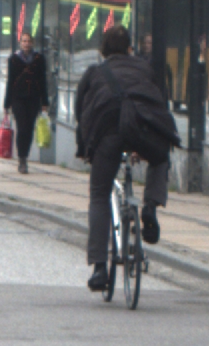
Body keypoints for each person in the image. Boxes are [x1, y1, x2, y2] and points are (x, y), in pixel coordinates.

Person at [74, 24, 173, 293]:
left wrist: (86, 148)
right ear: (130, 48)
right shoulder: (146, 69)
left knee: (99, 194)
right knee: (161, 157)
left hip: (108, 134)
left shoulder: (95, 73)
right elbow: (160, 105)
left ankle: (99, 268)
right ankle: (150, 206)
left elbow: (81, 110)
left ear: (103, 49)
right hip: (141, 128)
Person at [3, 30, 48, 174]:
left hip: (33, 98)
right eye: (24, 41)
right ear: (20, 43)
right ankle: (21, 159)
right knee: (21, 128)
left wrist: (44, 102)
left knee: (29, 128)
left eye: (28, 41)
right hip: (18, 98)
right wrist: (7, 103)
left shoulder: (39, 59)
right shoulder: (14, 59)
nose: (26, 44)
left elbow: (43, 81)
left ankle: (25, 156)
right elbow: (10, 81)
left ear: (32, 43)